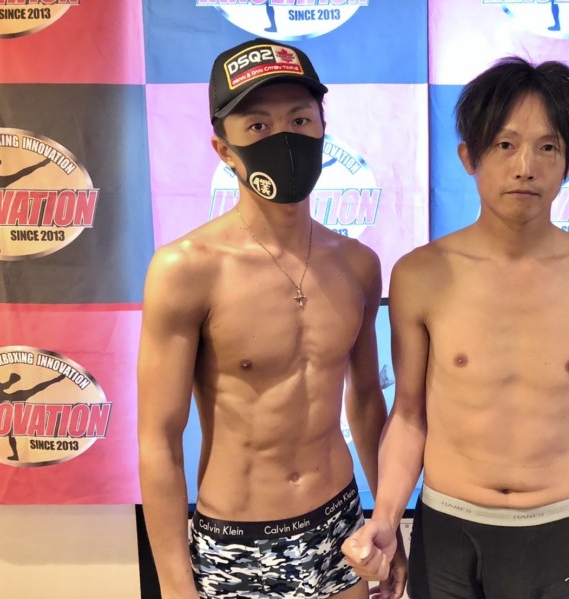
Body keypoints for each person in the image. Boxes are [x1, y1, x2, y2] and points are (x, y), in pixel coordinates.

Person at [343, 57, 569, 599]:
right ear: (469, 156)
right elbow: (410, 417)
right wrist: (386, 518)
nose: (525, 167)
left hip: (556, 532)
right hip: (448, 530)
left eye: (548, 147)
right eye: (505, 144)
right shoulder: (420, 275)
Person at [138, 37, 406, 599]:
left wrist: (388, 523)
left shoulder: (357, 264)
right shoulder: (186, 269)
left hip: (338, 526)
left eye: (300, 120)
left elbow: (364, 400)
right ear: (224, 149)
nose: (284, 137)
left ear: (323, 128)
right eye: (258, 126)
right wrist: (175, 587)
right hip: (236, 541)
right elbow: (159, 440)